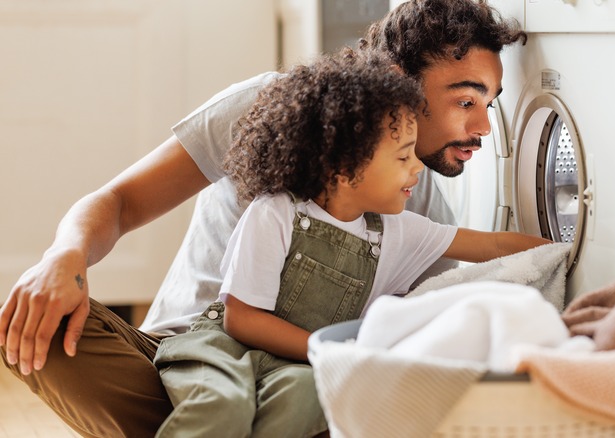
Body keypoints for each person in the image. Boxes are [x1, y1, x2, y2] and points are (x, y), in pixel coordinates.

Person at [0, 0, 528, 436]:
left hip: (291, 380)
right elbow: (121, 201)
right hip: (184, 354)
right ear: (399, 81)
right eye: (465, 100)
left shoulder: (415, 200)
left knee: (313, 403)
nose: (483, 126)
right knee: (34, 327)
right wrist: (63, 256)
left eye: (492, 104)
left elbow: (431, 320)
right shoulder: (271, 108)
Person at [154, 48, 549, 438]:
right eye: (403, 156)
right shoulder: (275, 213)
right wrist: (327, 349)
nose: (417, 167)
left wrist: (566, 249)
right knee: (224, 404)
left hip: (292, 364)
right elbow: (239, 317)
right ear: (345, 168)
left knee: (307, 398)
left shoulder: (397, 228)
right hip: (223, 349)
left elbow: (493, 245)